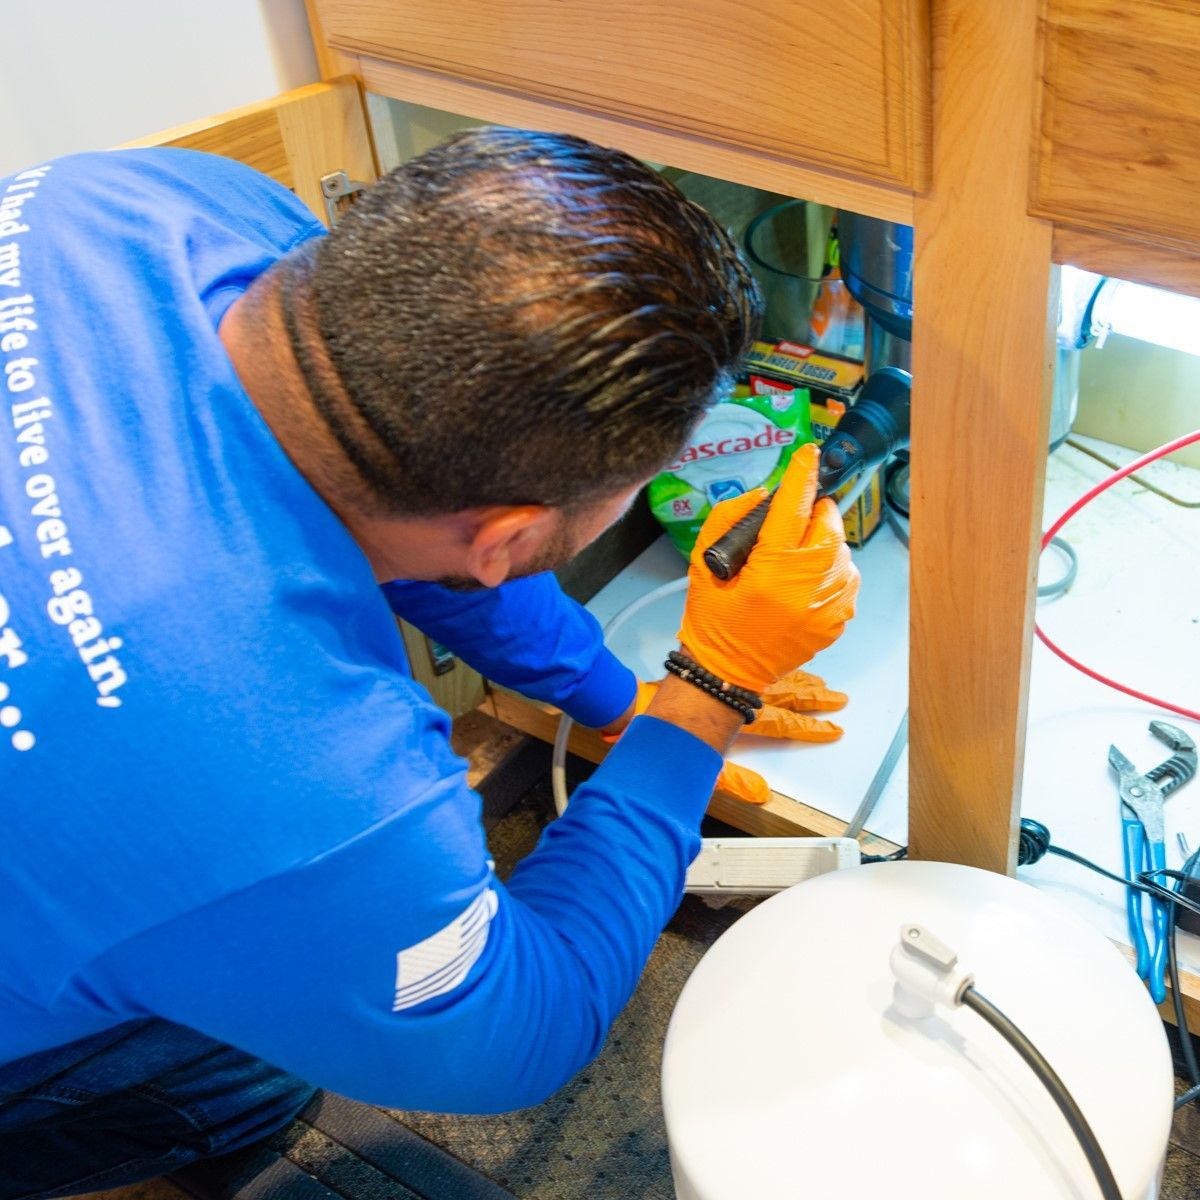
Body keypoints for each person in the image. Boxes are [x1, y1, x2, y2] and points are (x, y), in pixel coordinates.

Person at [0, 127, 858, 1194]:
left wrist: (611, 698)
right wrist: (710, 691)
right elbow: (522, 1031)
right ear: (503, 541)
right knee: (248, 1075)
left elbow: (379, 469)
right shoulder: (288, 784)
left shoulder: (129, 202)